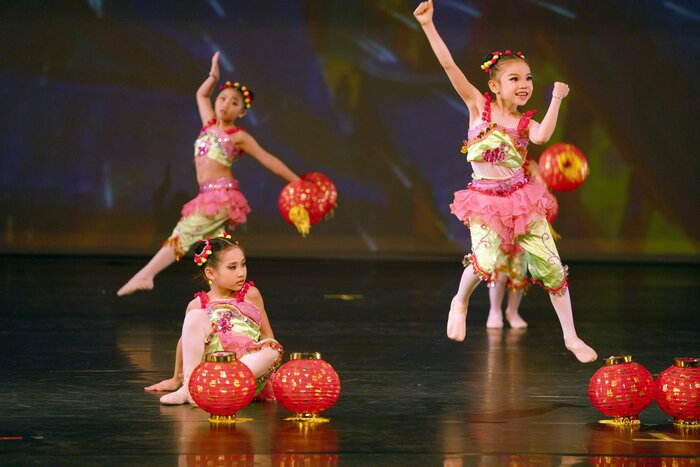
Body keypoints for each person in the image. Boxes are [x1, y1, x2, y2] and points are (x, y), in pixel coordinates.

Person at [413, 0, 597, 362]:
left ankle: (571, 337)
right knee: (484, 260)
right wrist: (427, 25)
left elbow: (543, 136)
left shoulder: (525, 124)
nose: (524, 84)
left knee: (552, 266)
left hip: (522, 201)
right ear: (494, 86)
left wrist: (556, 99)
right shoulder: (476, 107)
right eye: (515, 79)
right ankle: (459, 301)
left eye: (528, 78)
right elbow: (448, 65)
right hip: (485, 202)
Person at [117, 51, 300, 296]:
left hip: (221, 196)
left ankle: (146, 275)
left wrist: (296, 181)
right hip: (206, 196)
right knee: (216, 250)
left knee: (183, 233)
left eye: (234, 103)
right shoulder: (209, 125)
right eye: (222, 98)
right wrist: (213, 76)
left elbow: (268, 159)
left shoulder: (238, 136)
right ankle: (231, 296)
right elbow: (201, 94)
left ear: (242, 112)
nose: (225, 104)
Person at [158, 233, 283, 405]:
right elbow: (185, 341)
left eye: (243, 264)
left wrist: (269, 362)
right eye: (232, 267)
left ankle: (224, 385)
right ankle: (190, 388)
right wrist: (175, 378)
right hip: (211, 369)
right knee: (194, 315)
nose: (241, 273)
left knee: (273, 348)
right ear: (210, 273)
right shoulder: (197, 305)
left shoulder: (251, 295)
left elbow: (267, 334)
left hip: (243, 371)